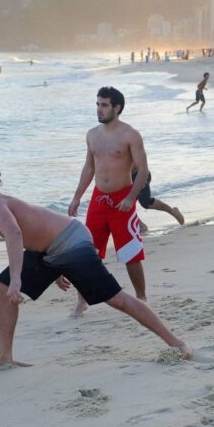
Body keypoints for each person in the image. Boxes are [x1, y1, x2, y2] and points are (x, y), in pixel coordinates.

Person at [0, 156, 193, 368]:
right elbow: (31, 232)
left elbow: (15, 235)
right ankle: (3, 356)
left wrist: (18, 278)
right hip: (51, 248)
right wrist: (53, 269)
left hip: (71, 242)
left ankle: (177, 343)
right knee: (3, 284)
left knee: (116, 299)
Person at [68, 87, 149, 317]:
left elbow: (143, 171)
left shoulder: (130, 135)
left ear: (117, 108)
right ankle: (81, 301)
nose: (99, 109)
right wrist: (77, 196)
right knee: (87, 253)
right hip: (98, 200)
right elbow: (89, 168)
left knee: (131, 254)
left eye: (104, 105)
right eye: (97, 104)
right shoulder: (92, 134)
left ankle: (142, 298)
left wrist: (131, 198)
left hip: (122, 199)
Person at [132, 168, 185, 233]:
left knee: (145, 202)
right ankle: (140, 225)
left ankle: (172, 211)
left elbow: (140, 165)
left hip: (138, 175)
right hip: (128, 179)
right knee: (125, 204)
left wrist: (143, 178)